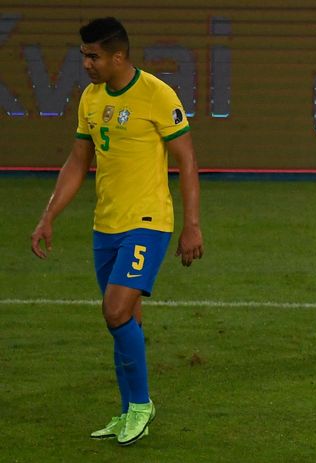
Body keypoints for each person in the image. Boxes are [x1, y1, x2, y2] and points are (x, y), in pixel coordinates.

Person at [30, 17, 204, 446]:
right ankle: (128, 411)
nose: (86, 64)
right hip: (105, 226)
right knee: (124, 320)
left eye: (93, 56)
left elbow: (187, 160)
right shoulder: (90, 99)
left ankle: (141, 405)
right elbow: (78, 161)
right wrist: (48, 216)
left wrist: (192, 225)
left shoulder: (157, 95)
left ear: (118, 56)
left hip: (147, 223)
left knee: (114, 310)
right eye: (84, 56)